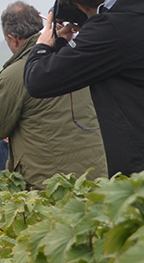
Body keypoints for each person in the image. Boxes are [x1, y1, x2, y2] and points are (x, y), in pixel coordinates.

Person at [0, 1, 107, 190]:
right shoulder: (74, 56)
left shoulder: (16, 73)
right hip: (96, 179)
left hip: (52, 188)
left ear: (14, 39)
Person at [23, 0, 144, 177]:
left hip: (137, 174)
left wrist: (42, 44)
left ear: (80, 6)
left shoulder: (111, 28)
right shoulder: (133, 15)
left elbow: (37, 80)